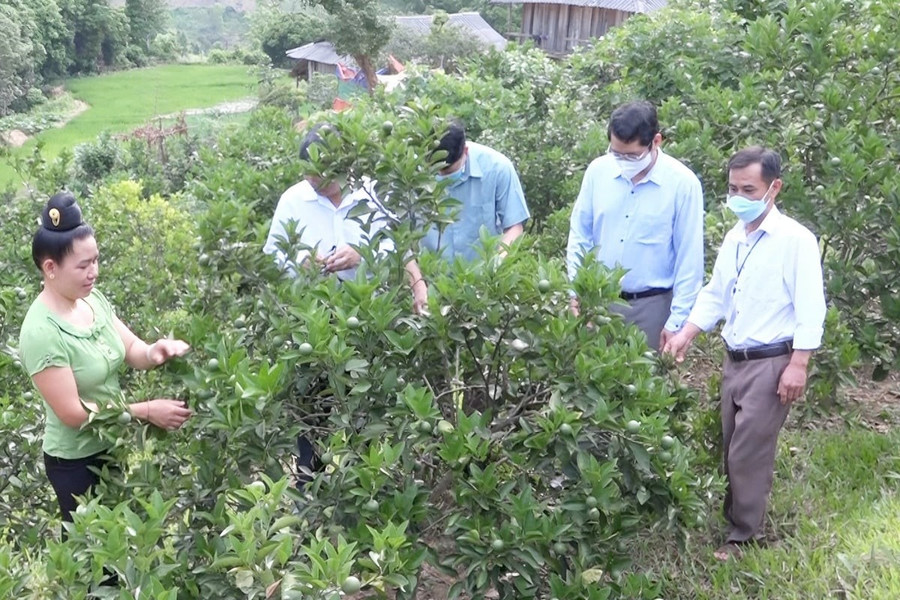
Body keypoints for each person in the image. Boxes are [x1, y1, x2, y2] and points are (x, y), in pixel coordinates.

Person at [662, 146, 827, 560]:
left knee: (748, 450)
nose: (738, 196)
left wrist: (799, 364)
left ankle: (743, 536)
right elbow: (716, 295)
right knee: (732, 442)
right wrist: (687, 334)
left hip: (772, 361)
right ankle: (734, 517)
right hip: (734, 359)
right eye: (732, 188)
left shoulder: (795, 241)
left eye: (748, 189)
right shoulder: (735, 237)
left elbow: (811, 306)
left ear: (774, 188)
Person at [19, 192, 193, 527]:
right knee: (97, 567)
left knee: (125, 546)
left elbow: (134, 352)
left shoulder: (92, 301)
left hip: (113, 446)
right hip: (75, 463)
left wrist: (158, 350)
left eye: (96, 260)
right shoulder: (41, 331)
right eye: (83, 266)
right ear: (50, 268)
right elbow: (73, 413)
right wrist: (146, 412)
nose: (93, 272)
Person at [566, 100, 704, 351]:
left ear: (656, 141)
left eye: (631, 155)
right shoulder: (598, 171)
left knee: (646, 382)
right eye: (616, 153)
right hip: (597, 302)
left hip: (652, 307)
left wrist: (677, 322)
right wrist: (576, 291)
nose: (622, 161)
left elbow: (689, 259)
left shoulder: (683, 184)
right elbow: (580, 235)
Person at [264, 124, 428, 314]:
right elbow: (272, 254)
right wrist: (299, 259)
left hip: (372, 308)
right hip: (312, 309)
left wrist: (364, 253)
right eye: (311, 178)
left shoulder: (375, 194)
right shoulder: (292, 200)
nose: (316, 184)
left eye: (324, 178)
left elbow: (401, 248)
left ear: (344, 167)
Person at [423, 121, 530, 261]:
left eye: (449, 171)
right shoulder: (413, 174)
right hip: (430, 276)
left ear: (465, 152)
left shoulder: (497, 168)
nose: (443, 176)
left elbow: (514, 226)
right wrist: (418, 282)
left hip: (481, 275)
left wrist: (496, 266)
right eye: (438, 171)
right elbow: (399, 233)